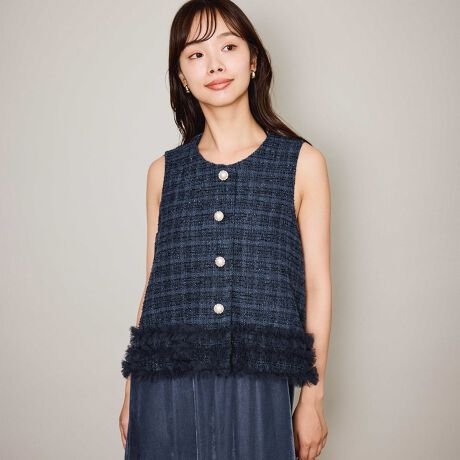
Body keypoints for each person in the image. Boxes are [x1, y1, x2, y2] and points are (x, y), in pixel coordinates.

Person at [119, 1, 331, 459]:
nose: (214, 64)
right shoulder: (163, 173)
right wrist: (131, 391)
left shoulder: (302, 163)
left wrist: (312, 398)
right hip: (163, 382)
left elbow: (317, 285)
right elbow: (154, 284)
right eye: (196, 54)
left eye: (228, 47)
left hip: (260, 378)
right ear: (182, 76)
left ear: (253, 60)